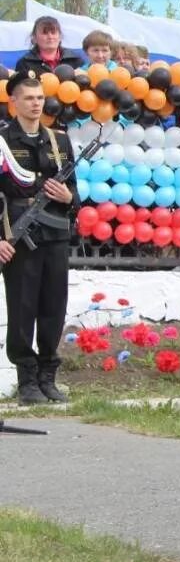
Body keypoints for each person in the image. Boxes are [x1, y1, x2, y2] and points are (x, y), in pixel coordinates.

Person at [0, 74, 75, 405]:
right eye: (28, 98)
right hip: (17, 236)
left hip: (54, 233)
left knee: (53, 307)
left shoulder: (59, 141)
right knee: (22, 308)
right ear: (13, 102)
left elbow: (76, 196)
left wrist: (67, 196)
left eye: (40, 98)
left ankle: (48, 376)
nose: (36, 103)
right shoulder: (2, 141)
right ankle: (27, 379)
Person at [14, 17, 85, 74]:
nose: (50, 37)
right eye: (45, 33)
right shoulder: (24, 64)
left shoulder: (75, 60)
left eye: (53, 32)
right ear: (35, 38)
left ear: (60, 37)